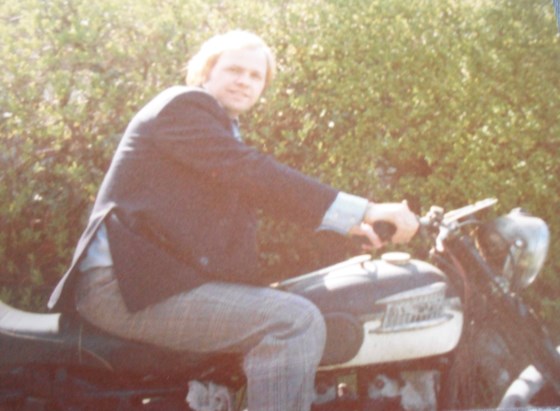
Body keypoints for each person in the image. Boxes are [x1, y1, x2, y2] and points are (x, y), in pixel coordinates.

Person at [48, 30, 419, 411]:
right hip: (122, 289)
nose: (245, 81)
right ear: (206, 72)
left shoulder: (217, 128)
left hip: (149, 285)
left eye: (256, 76)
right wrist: (365, 210)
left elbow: (256, 192)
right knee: (292, 322)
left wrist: (347, 227)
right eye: (234, 70)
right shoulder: (182, 107)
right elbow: (252, 173)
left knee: (295, 300)